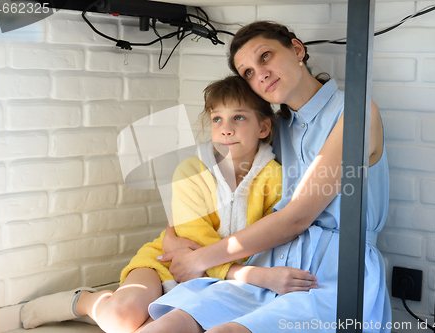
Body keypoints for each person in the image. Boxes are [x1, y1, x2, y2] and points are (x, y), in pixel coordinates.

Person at [140, 21, 391, 333]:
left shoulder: (356, 113)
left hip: (333, 270)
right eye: (247, 72)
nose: (259, 74)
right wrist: (172, 234)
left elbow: (298, 217)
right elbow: (210, 174)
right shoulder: (275, 126)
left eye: (266, 56)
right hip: (270, 262)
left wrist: (202, 259)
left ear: (297, 50)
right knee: (167, 324)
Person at [20, 75, 318, 333]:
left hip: (226, 279)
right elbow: (188, 244)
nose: (226, 129)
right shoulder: (190, 171)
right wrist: (245, 272)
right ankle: (85, 301)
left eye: (239, 118)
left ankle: (131, 313)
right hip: (169, 261)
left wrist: (244, 274)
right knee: (121, 318)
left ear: (263, 128)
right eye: (217, 119)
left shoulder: (276, 178)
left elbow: (272, 241)